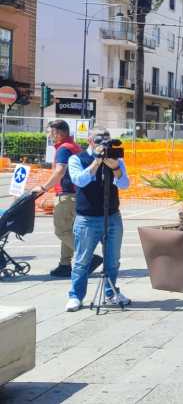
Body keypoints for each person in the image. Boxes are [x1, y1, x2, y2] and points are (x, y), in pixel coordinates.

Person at [65, 127, 131, 312]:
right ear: (90, 141)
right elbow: (79, 180)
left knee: (113, 260)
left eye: (106, 141)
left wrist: (115, 167)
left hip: (112, 217)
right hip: (87, 219)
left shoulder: (116, 159)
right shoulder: (77, 159)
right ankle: (76, 296)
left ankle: (110, 293)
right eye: (99, 140)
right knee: (81, 261)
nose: (103, 145)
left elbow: (125, 184)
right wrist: (96, 162)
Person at [31, 120, 101, 278]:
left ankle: (89, 257)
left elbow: (60, 171)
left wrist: (43, 188)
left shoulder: (63, 149)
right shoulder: (74, 146)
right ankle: (64, 264)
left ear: (57, 133)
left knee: (61, 230)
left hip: (67, 195)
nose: (49, 135)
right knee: (69, 230)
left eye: (50, 132)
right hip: (77, 194)